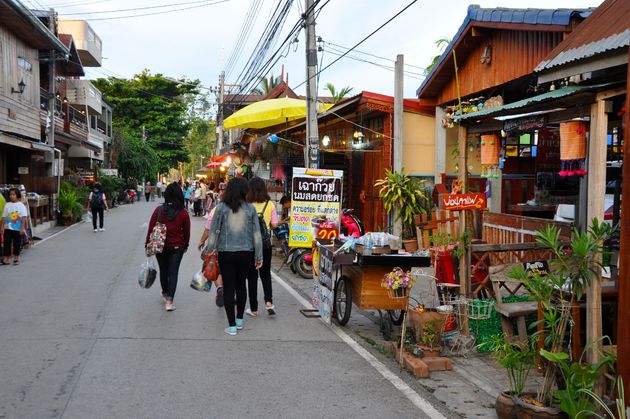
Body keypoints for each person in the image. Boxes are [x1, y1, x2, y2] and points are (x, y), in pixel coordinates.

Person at [205, 177, 262, 336]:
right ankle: (239, 321)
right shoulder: (250, 209)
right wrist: (259, 257)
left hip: (226, 253)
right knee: (241, 286)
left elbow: (213, 232)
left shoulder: (221, 208)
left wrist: (209, 250)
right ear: (245, 191)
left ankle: (231, 326)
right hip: (246, 253)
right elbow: (256, 235)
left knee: (229, 288)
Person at [145, 182, 190, 311]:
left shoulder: (158, 210)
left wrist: (146, 245)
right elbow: (186, 231)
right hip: (177, 247)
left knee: (163, 271)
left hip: (160, 246)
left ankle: (165, 292)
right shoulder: (183, 213)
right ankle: (169, 301)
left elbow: (151, 228)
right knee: (173, 272)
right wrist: (186, 245)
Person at [245, 177, 279, 316]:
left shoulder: (246, 204)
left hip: (249, 245)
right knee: (265, 274)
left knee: (252, 276)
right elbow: (275, 225)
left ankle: (253, 309)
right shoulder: (269, 204)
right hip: (265, 244)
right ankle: (269, 302)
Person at [197, 204, 225, 307]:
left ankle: (220, 288)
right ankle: (232, 293)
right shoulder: (240, 209)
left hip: (217, 245)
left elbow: (208, 229)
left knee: (216, 269)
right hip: (234, 246)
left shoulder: (215, 210)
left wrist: (202, 241)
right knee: (230, 270)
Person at [1, 188, 28, 265]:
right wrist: (2, 227)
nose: (11, 196)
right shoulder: (7, 205)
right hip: (8, 228)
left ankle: (16, 258)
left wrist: (22, 228)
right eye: (10, 195)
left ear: (17, 195)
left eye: (13, 194)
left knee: (17, 243)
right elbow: (4, 217)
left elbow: (23, 218)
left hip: (17, 229)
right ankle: (5, 259)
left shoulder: (21, 205)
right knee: (6, 243)